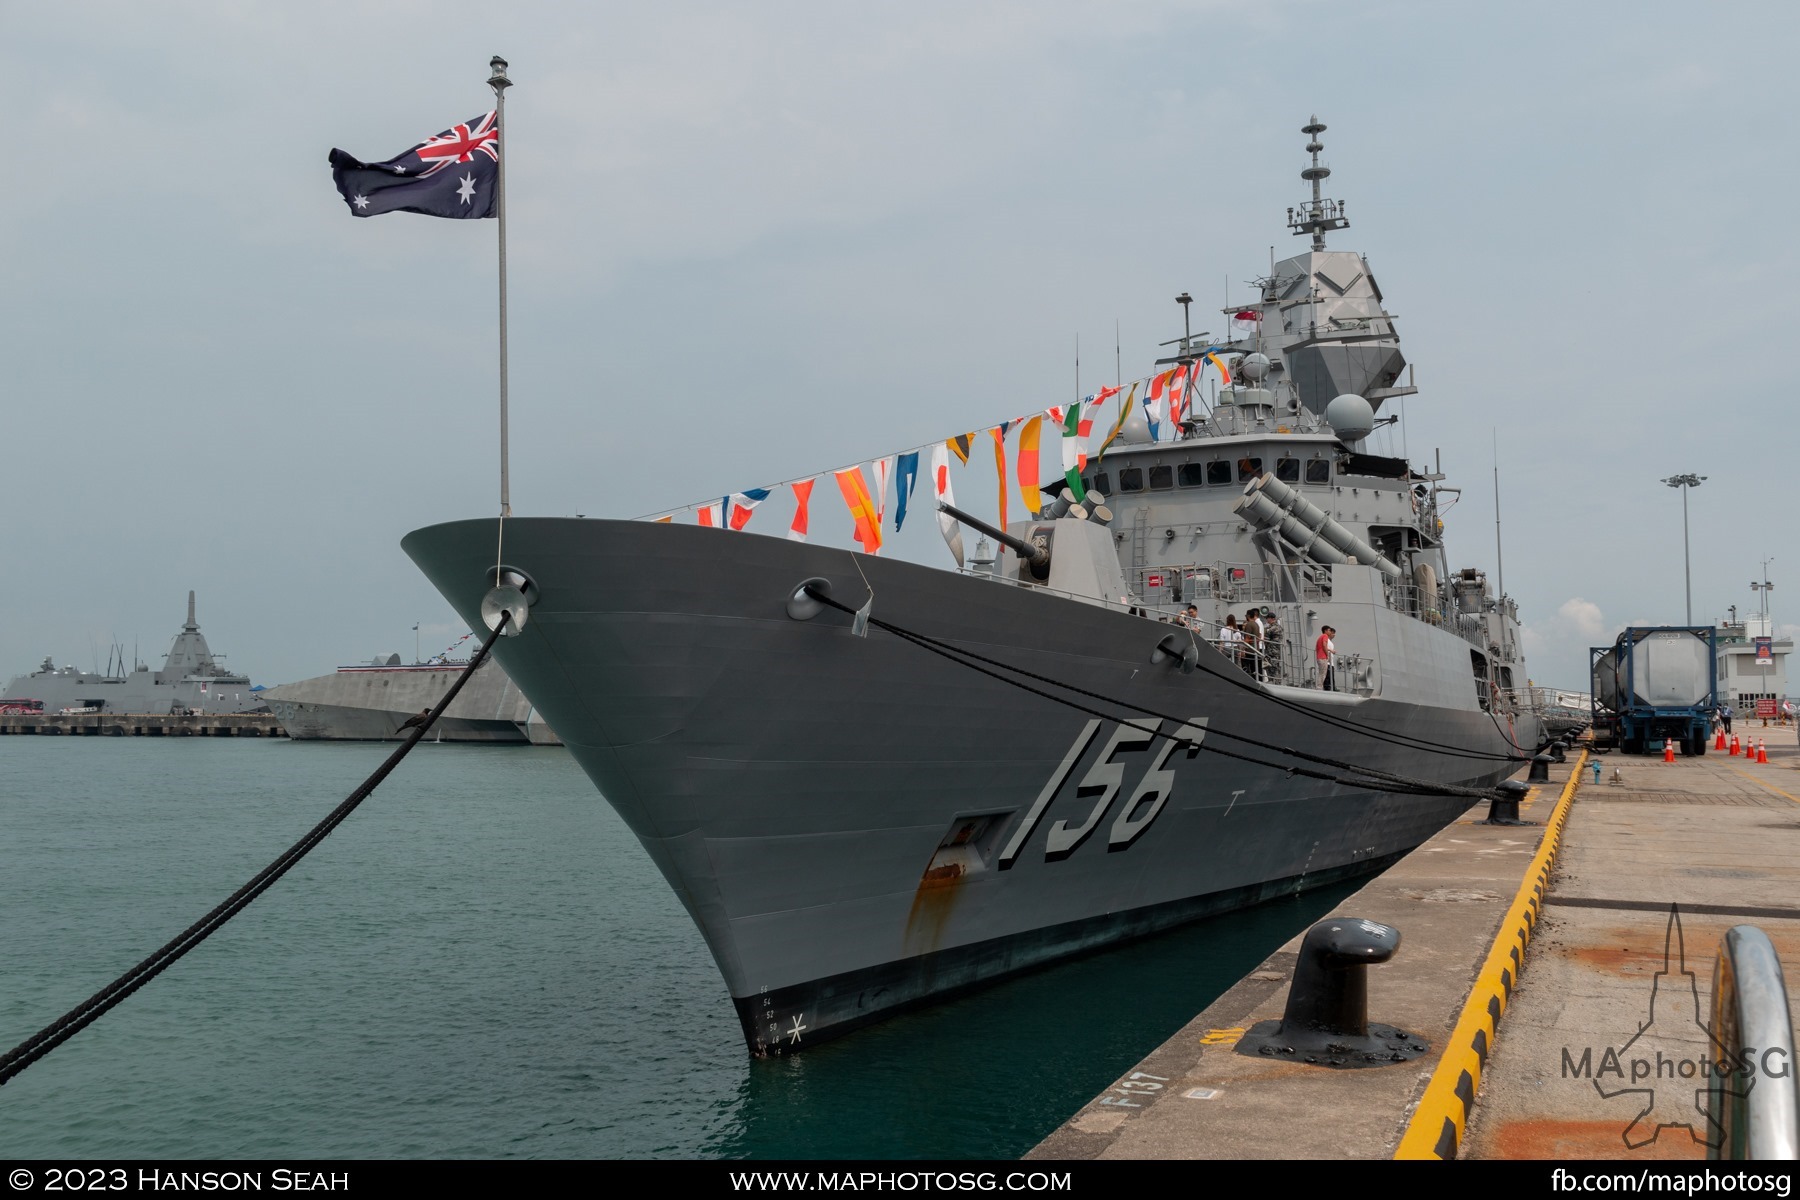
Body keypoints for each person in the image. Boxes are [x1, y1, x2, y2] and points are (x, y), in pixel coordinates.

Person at [1315, 625, 1336, 690]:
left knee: (1322, 673)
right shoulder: (1325, 636)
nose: (1330, 632)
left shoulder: (1320, 637)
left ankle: (1319, 686)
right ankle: (1319, 687)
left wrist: (1330, 650)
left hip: (1319, 657)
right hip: (1322, 657)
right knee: (1323, 673)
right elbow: (1324, 645)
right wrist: (1327, 655)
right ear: (1325, 631)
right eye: (1329, 630)